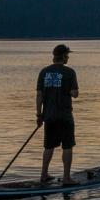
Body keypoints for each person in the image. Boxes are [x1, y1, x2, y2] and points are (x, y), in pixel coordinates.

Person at [36, 44, 79, 185]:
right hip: (65, 116)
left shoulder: (44, 72)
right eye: (67, 55)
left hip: (49, 116)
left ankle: (44, 175)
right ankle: (66, 178)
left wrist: (39, 115)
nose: (68, 58)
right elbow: (75, 94)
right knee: (67, 145)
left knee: (49, 146)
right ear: (64, 56)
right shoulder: (70, 72)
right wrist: (68, 90)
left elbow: (39, 95)